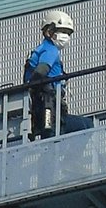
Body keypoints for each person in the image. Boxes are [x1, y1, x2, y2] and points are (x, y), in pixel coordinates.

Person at [23, 9, 91, 138]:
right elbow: (41, 71)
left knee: (52, 139)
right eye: (62, 32)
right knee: (86, 125)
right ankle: (69, 159)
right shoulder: (51, 50)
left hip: (43, 107)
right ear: (49, 32)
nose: (65, 36)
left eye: (67, 33)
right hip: (48, 106)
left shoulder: (39, 50)